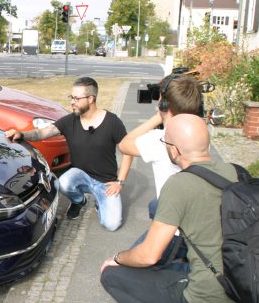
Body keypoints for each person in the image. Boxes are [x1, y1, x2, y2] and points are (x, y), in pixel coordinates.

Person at [100, 114, 237, 302]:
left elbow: (149, 255)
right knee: (155, 206)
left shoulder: (179, 184)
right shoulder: (235, 171)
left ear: (174, 150)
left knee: (112, 274)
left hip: (208, 293)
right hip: (240, 277)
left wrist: (117, 258)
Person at [5, 77, 132, 231]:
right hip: (80, 175)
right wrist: (22, 135)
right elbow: (43, 132)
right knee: (63, 183)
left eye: (77, 98)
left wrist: (120, 182)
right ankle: (79, 201)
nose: (72, 101)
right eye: (71, 97)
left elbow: (128, 151)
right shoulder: (69, 121)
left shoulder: (112, 122)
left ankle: (100, 202)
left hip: (106, 182)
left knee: (111, 225)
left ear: (91, 99)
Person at [119, 74, 203, 267]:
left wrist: (158, 116)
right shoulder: (199, 132)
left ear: (164, 105)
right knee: (154, 205)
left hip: (175, 234)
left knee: (122, 265)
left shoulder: (159, 140)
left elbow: (124, 145)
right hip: (199, 225)